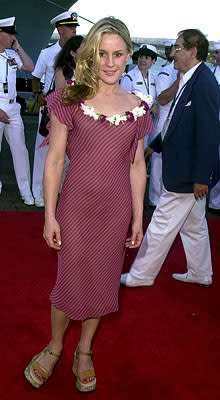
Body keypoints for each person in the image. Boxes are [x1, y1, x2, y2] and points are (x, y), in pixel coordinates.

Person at [24, 16, 153, 393]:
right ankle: (54, 347)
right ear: (90, 56)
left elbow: (137, 164)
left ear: (128, 55)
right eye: (102, 54)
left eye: (117, 54)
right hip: (76, 207)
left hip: (115, 212)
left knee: (103, 282)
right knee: (69, 281)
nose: (110, 62)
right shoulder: (69, 98)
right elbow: (54, 159)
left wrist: (137, 217)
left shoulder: (138, 108)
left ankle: (84, 351)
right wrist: (49, 215)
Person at [120, 29, 220, 289]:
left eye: (177, 48)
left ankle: (140, 275)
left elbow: (209, 134)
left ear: (193, 51)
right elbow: (177, 121)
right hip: (183, 168)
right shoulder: (189, 77)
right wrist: (154, 146)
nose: (172, 53)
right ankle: (200, 272)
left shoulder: (205, 83)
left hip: (188, 173)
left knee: (162, 221)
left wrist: (201, 177)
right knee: (193, 225)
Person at [31, 10, 79, 207]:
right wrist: (37, 95)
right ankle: (38, 192)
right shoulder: (47, 53)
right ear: (60, 30)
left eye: (75, 27)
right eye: (70, 27)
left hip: (72, 112)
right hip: (51, 112)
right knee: (43, 154)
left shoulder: (79, 53)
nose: (74, 30)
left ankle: (60, 192)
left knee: (67, 156)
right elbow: (35, 77)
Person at [0, 17, 34, 204]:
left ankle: (25, 191)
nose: (12, 37)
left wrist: (18, 47)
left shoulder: (12, 55)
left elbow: (30, 67)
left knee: (20, 150)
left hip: (13, 108)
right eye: (10, 33)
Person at [148, 60, 179, 207]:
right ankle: (155, 199)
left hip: (180, 120)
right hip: (164, 120)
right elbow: (163, 99)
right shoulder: (166, 71)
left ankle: (169, 198)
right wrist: (179, 80)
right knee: (158, 162)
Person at [120, 44, 158, 138]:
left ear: (153, 61)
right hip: (134, 124)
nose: (143, 60)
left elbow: (155, 98)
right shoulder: (129, 78)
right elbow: (121, 102)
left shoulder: (153, 78)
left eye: (147, 58)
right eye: (141, 57)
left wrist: (155, 105)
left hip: (149, 123)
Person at [208, 41, 220, 212]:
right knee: (215, 162)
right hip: (214, 122)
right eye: (216, 52)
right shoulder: (211, 72)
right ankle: (215, 202)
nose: (218, 56)